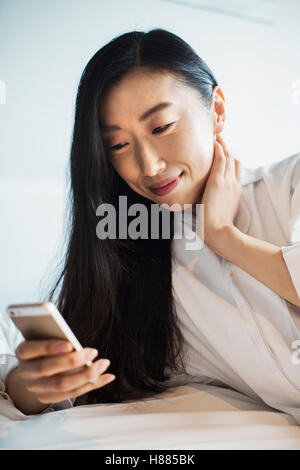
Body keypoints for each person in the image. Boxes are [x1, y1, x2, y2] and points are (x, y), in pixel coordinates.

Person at [2, 28, 300, 421]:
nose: (150, 166)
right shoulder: (136, 263)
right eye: (119, 146)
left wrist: (225, 238)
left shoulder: (289, 185)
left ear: (218, 111)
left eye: (161, 128)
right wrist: (31, 382)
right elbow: (80, 379)